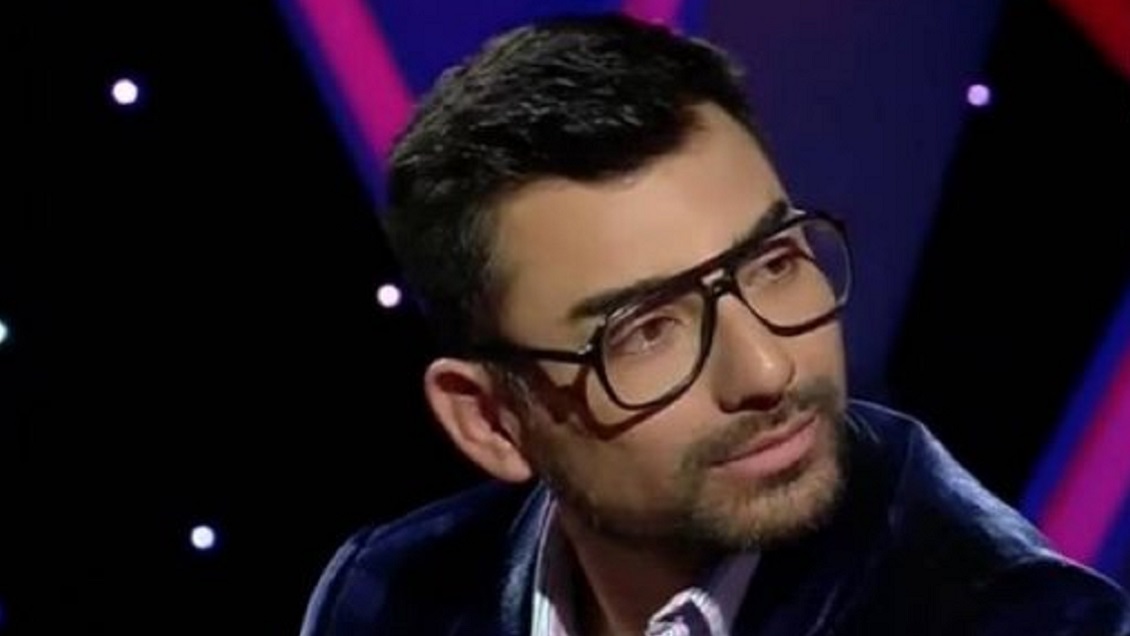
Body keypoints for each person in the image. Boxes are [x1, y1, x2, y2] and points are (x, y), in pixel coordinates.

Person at [299, 13, 1130, 636]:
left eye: (775, 263)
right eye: (646, 330)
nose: (767, 371)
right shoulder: (386, 597)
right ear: (490, 419)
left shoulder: (1022, 620)